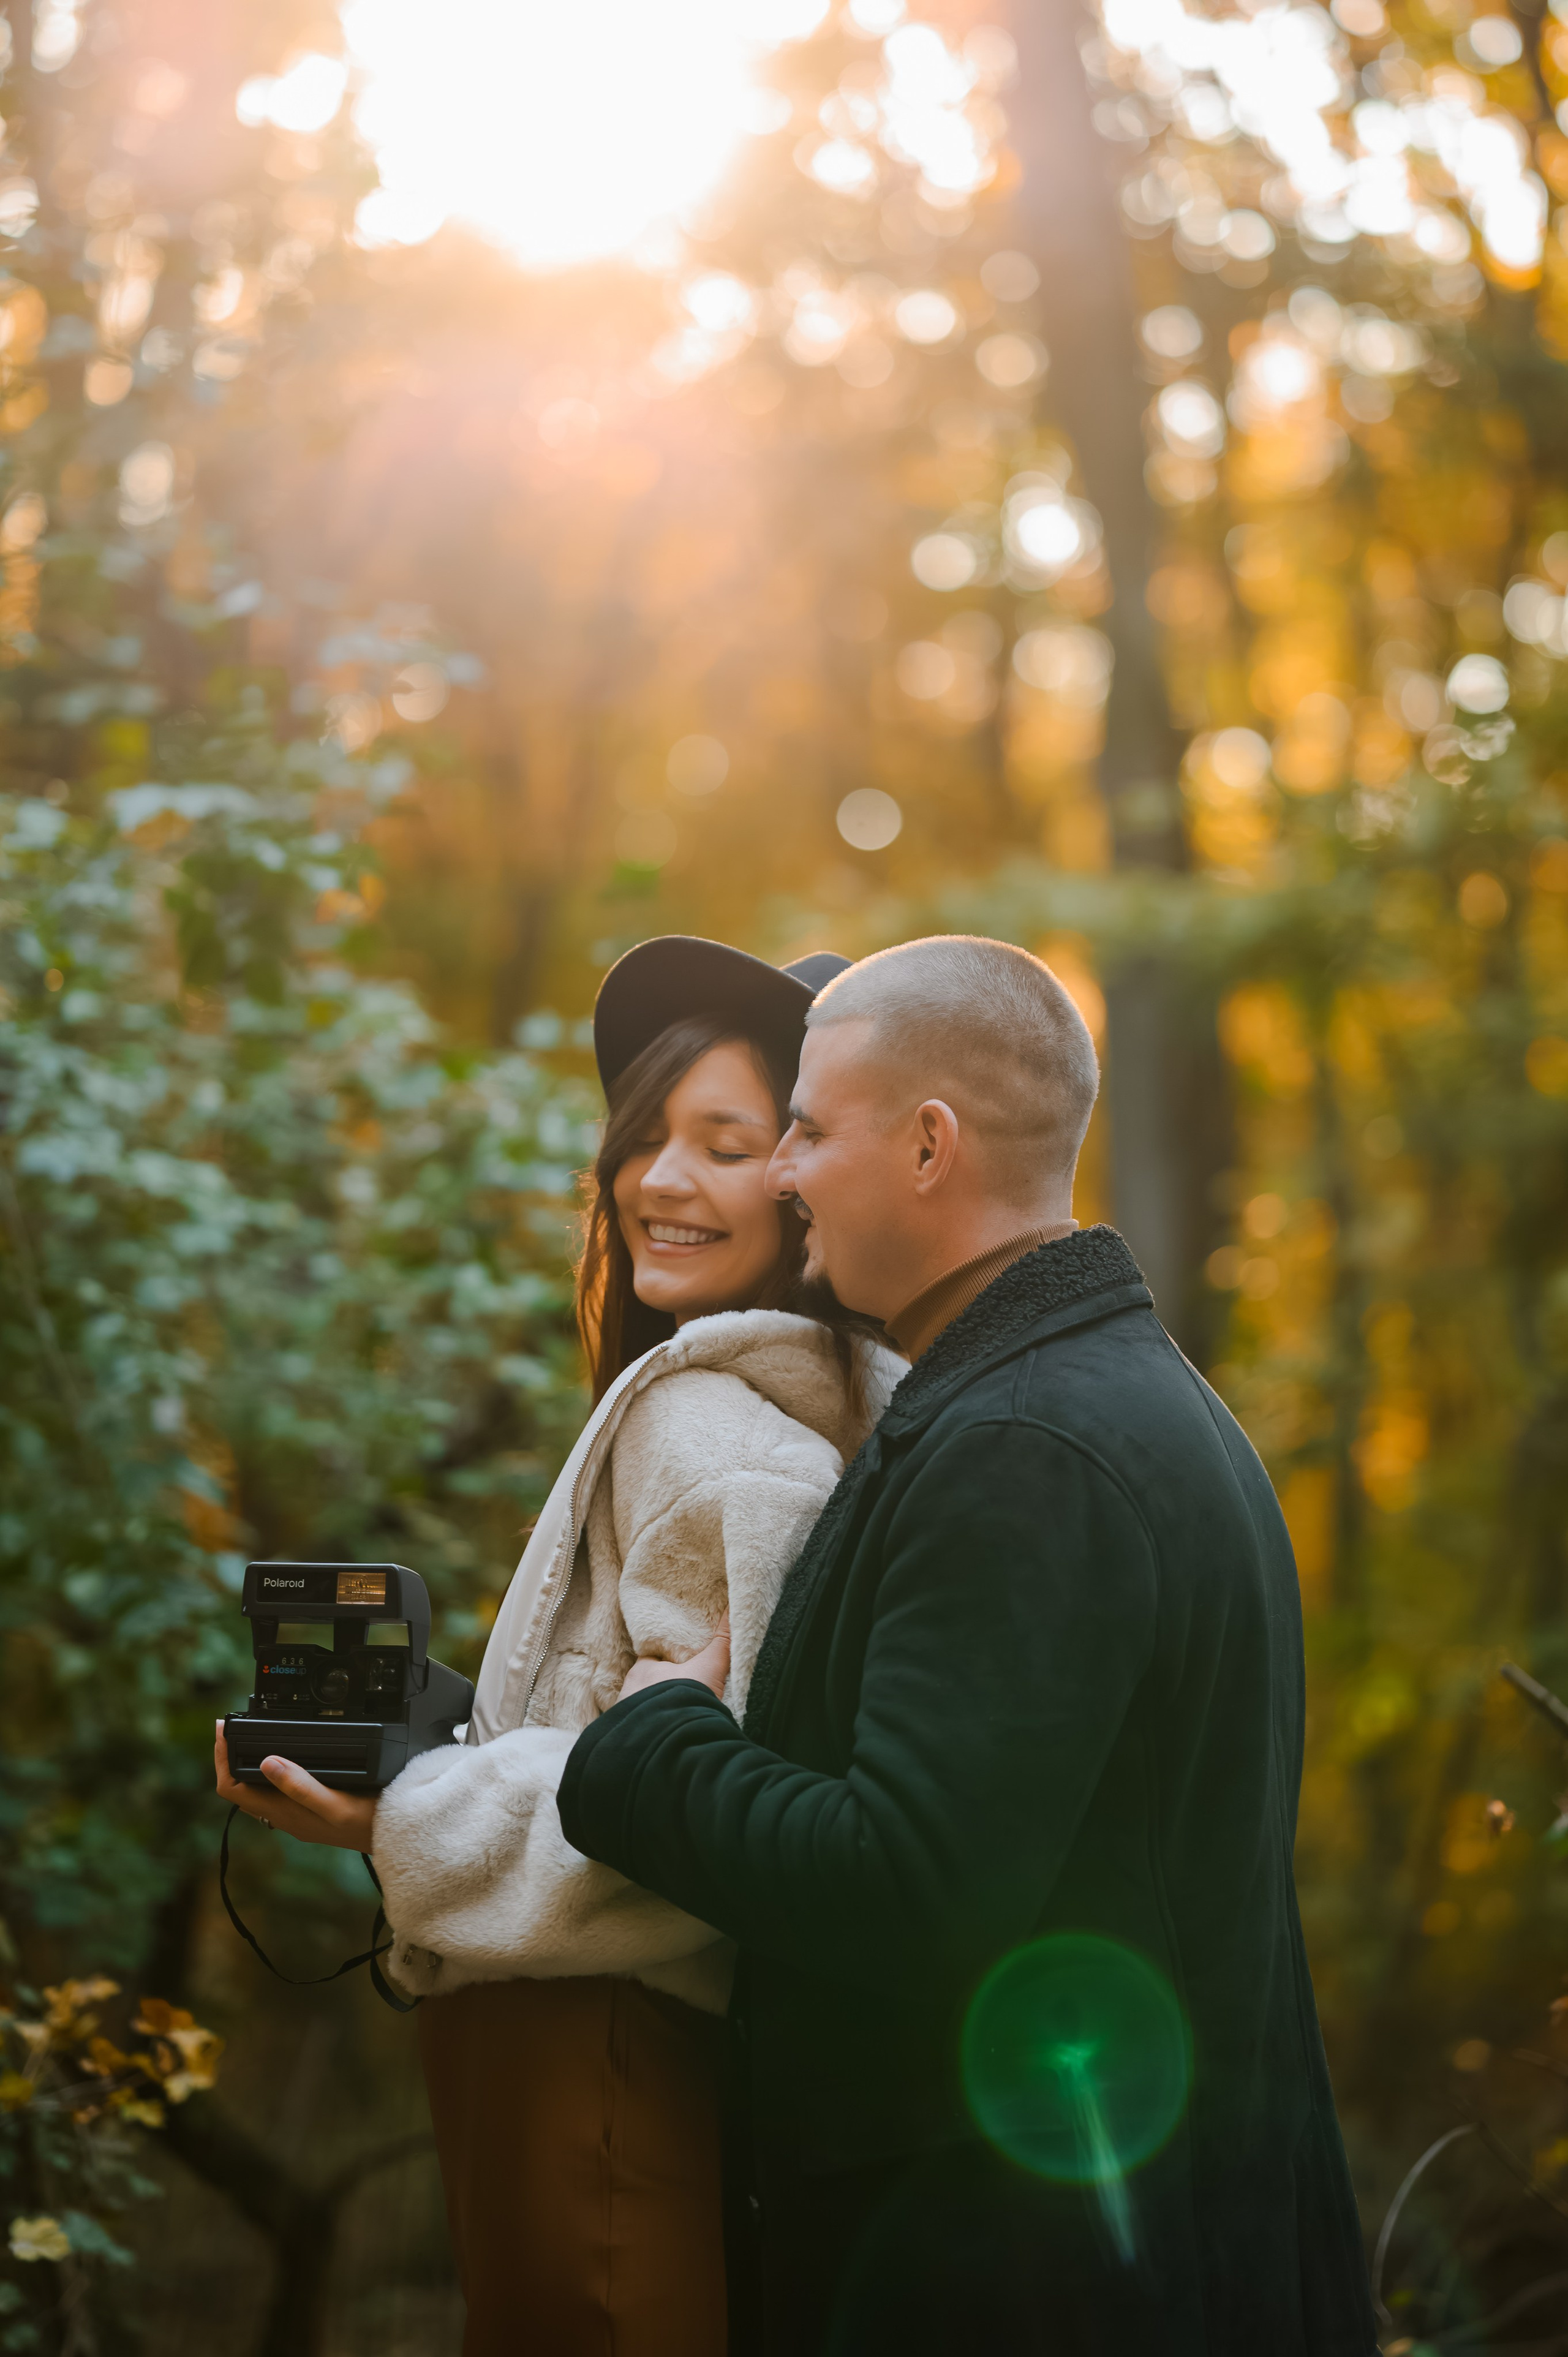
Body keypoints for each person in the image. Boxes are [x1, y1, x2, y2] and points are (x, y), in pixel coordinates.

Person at [558, 933, 1378, 2356]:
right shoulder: (1084, 1394)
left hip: (1042, 2283)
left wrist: (649, 1749)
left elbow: (908, 1885)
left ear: (928, 1146)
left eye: (806, 1128)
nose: (788, 1170)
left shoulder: (1025, 1448)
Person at [214, 935, 905, 2357]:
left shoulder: (715, 1435)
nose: (659, 1181)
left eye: (721, 1143)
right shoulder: (743, 1410)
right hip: (584, 2050)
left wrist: (397, 1813)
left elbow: (713, 1827)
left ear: (797, 1182)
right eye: (644, 1138)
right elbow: (637, 1751)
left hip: (596, 2056)